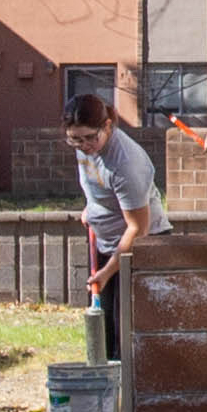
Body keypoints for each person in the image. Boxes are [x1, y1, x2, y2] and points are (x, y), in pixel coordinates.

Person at [65, 91, 165, 357]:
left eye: (90, 138)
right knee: (104, 332)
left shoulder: (126, 163)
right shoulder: (86, 147)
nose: (84, 145)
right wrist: (93, 208)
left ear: (107, 126)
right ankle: (110, 392)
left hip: (139, 249)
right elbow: (97, 183)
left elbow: (138, 229)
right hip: (107, 243)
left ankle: (129, 395)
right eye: (75, 139)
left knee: (128, 337)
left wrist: (109, 272)